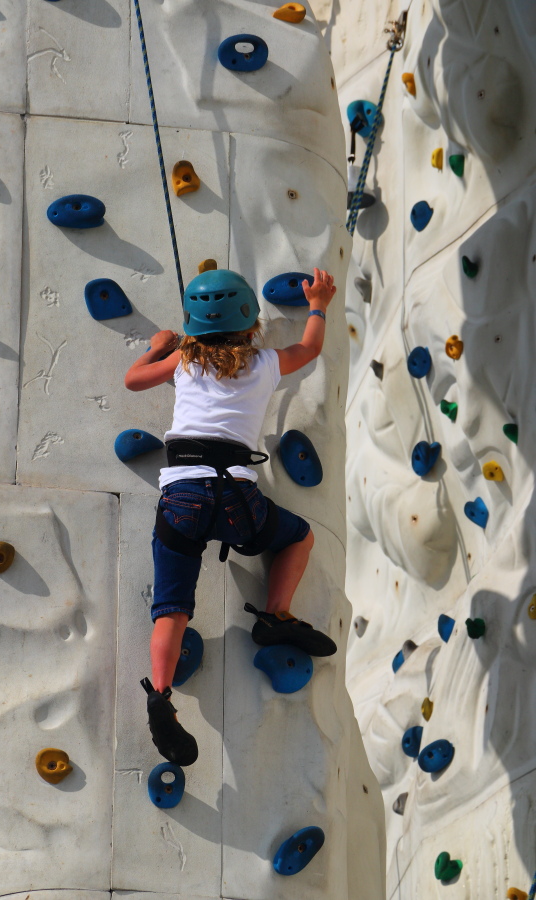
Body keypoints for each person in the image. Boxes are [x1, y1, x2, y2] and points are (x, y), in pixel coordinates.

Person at [124, 267, 337, 767]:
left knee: (172, 609)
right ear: (249, 320)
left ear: (195, 326)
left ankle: (160, 695)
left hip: (181, 498)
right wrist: (319, 303)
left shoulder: (183, 360)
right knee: (298, 537)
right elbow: (309, 349)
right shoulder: (264, 362)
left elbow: (133, 381)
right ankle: (275, 614)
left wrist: (158, 345)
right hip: (239, 502)